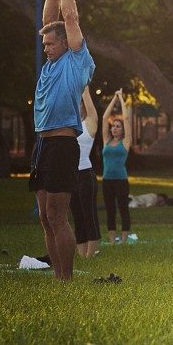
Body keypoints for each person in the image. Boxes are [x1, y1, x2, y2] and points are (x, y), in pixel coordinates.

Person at [30, 0, 95, 281]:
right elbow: (49, 18)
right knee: (45, 216)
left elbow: (68, 16)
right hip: (42, 145)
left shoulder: (76, 60)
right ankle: (57, 276)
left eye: (51, 44)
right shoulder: (51, 64)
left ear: (66, 44)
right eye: (44, 44)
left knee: (57, 215)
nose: (46, 47)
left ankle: (66, 278)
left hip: (62, 144)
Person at [69, 86, 101, 258]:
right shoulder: (70, 127)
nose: (77, 106)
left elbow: (89, 104)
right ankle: (82, 255)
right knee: (77, 215)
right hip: (72, 176)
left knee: (89, 214)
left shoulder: (89, 124)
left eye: (79, 103)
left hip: (85, 175)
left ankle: (91, 254)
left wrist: (84, 87)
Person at [102, 88, 133, 244]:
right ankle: (112, 240)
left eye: (118, 126)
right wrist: (114, 98)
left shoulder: (125, 142)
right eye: (113, 126)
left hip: (121, 180)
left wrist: (121, 97)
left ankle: (124, 239)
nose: (114, 128)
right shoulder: (106, 140)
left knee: (123, 209)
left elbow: (126, 119)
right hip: (107, 180)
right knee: (110, 210)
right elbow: (104, 117)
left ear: (122, 130)